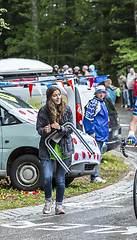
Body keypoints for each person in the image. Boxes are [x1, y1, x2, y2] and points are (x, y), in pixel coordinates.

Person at [36, 86, 74, 215]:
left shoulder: (67, 109)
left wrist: (60, 128)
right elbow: (39, 128)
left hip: (63, 148)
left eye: (59, 95)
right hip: (47, 148)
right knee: (46, 177)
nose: (58, 98)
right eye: (54, 95)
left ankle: (59, 205)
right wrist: (44, 130)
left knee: (60, 179)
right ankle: (48, 201)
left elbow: (71, 129)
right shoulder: (43, 110)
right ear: (49, 97)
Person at [83, 85, 109, 184]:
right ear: (96, 93)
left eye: (103, 92)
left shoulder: (102, 102)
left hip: (102, 133)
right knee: (96, 155)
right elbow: (88, 118)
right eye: (99, 92)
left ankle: (95, 175)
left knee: (99, 155)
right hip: (96, 133)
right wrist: (91, 131)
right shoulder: (94, 103)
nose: (102, 94)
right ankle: (94, 176)